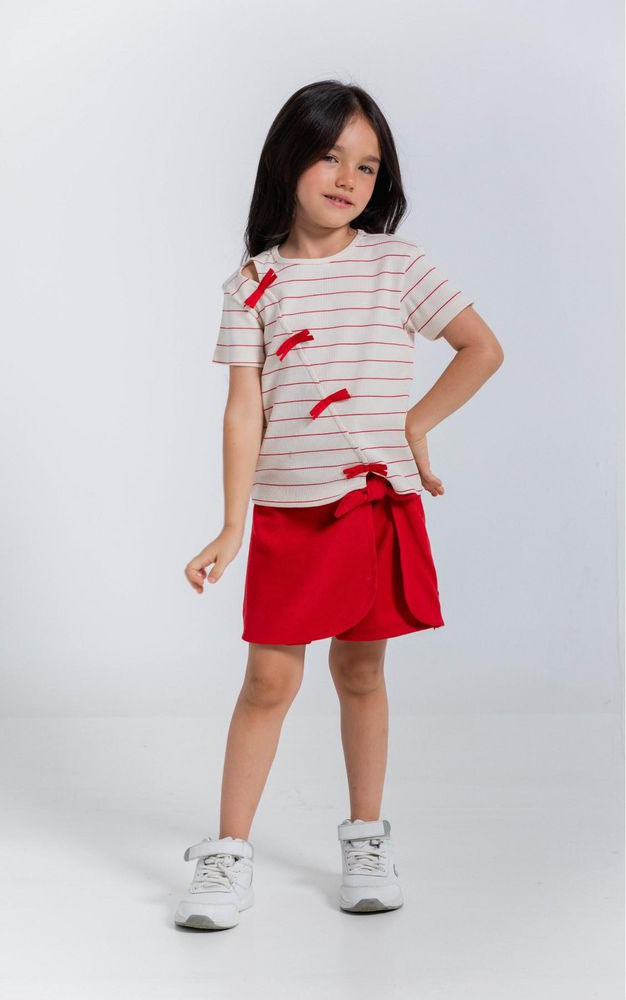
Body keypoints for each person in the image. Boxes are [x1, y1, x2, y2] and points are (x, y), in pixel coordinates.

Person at [175, 80, 504, 931]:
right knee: (268, 679)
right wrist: (232, 524)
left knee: (361, 672)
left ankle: (365, 839)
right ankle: (227, 851)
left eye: (367, 165)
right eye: (330, 156)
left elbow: (480, 348)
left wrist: (414, 425)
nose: (348, 178)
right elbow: (243, 411)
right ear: (288, 159)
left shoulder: (399, 264)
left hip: (375, 503)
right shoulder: (251, 284)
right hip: (290, 510)